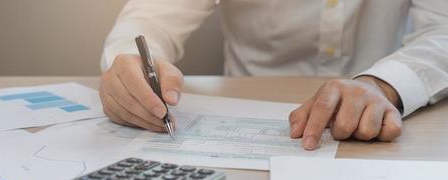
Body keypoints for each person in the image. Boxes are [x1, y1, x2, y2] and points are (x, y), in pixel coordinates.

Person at [98, 0, 448, 150]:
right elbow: (150, 19)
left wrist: (382, 84)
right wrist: (127, 66)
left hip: (384, 126)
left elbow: (443, 31)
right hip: (250, 135)